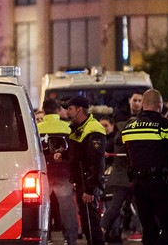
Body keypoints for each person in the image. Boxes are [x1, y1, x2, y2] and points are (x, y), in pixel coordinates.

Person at [122, 89, 168, 245]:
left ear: (143, 104)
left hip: (138, 184)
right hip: (160, 183)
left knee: (149, 228)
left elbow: (128, 153)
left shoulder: (129, 126)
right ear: (160, 105)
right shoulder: (164, 125)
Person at [65, 96, 106, 245]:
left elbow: (97, 162)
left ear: (79, 110)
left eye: (70, 109)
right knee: (87, 222)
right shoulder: (80, 128)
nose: (67, 112)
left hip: (88, 183)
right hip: (82, 182)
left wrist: (90, 189)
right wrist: (63, 154)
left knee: (91, 223)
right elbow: (78, 154)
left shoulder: (93, 129)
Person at [38, 98, 78, 245]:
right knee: (67, 207)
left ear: (44, 111)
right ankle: (70, 239)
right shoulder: (67, 128)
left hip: (43, 173)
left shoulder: (36, 128)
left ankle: (44, 237)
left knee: (42, 207)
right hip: (63, 172)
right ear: (58, 110)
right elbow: (74, 152)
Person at [101, 114, 133, 244]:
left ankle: (103, 231)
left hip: (118, 178)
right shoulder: (129, 140)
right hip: (128, 179)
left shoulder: (118, 138)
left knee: (114, 208)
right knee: (122, 208)